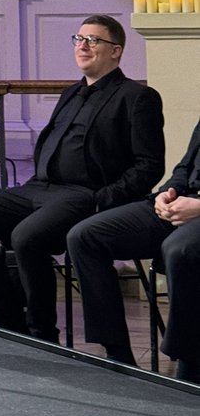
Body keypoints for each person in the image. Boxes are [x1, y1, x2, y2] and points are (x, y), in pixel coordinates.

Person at [0, 15, 164, 343]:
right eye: (78, 38)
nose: (82, 45)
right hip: (40, 187)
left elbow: (149, 166)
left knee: (26, 236)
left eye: (93, 40)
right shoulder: (70, 93)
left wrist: (103, 198)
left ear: (116, 51)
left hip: (85, 193)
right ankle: (10, 324)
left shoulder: (136, 97)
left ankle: (42, 334)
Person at [67, 119, 200, 379]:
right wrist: (167, 193)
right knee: (85, 236)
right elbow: (185, 165)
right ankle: (118, 356)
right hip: (184, 202)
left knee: (179, 250)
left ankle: (191, 366)